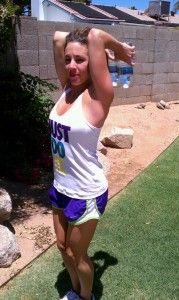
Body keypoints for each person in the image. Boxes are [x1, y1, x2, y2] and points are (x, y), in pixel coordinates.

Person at [48, 27, 135, 300]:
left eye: (81, 60)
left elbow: (96, 36)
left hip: (86, 191)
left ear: (94, 64)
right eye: (68, 59)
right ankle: (74, 292)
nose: (72, 66)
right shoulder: (67, 89)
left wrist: (119, 49)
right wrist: (76, 44)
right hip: (61, 186)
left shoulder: (98, 98)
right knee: (62, 246)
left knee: (77, 252)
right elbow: (58, 37)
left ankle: (86, 297)